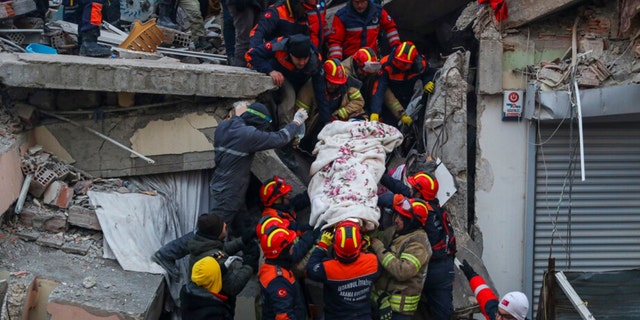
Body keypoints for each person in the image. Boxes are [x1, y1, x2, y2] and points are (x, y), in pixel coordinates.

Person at [151, 103, 308, 277]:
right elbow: (280, 138)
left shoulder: (226, 126)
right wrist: (296, 122)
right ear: (257, 122)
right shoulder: (246, 135)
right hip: (229, 192)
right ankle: (167, 254)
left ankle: (252, 259)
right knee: (206, 234)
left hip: (225, 185)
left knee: (244, 225)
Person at [379, 171, 457, 320]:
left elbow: (394, 201)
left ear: (419, 194)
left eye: (413, 187)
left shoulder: (422, 211)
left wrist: (374, 200)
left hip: (432, 269)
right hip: (446, 268)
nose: (409, 189)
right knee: (442, 313)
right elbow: (402, 189)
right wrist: (381, 175)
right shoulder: (433, 206)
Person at [370, 195, 431, 319]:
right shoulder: (396, 232)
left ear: (412, 222)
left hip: (398, 310)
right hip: (380, 303)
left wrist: (379, 249)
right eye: (396, 215)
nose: (396, 220)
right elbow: (378, 237)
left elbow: (402, 272)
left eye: (402, 218)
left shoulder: (418, 244)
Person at [305, 220, 379, 319]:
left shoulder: (328, 268)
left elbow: (310, 269)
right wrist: (364, 249)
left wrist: (322, 245)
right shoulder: (372, 261)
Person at [186, 214, 259, 315]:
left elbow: (219, 250)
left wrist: (241, 241)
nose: (225, 225)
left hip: (201, 302)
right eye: (223, 226)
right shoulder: (216, 261)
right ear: (215, 232)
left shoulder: (200, 245)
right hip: (217, 308)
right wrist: (249, 265)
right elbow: (233, 286)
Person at [295, 58, 365, 153]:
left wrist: (340, 114)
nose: (334, 86)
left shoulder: (346, 83)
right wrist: (298, 139)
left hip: (337, 122)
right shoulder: (309, 88)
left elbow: (359, 101)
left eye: (337, 84)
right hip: (315, 125)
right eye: (331, 83)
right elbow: (299, 116)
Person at [370, 41, 436, 125]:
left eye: (405, 64)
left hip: (407, 98)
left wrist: (427, 82)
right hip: (388, 103)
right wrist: (375, 112)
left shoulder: (420, 65)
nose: (400, 65)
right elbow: (379, 89)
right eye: (398, 61)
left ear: (413, 61)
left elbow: (428, 74)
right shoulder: (386, 64)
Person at [344, 47, 412, 126]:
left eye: (368, 73)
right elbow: (352, 101)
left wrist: (401, 114)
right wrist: (365, 117)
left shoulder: (370, 72)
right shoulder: (345, 74)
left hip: (363, 109)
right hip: (348, 112)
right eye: (364, 72)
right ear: (357, 64)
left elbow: (384, 93)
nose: (365, 74)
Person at [258, 227, 307, 319]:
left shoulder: (269, 266)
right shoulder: (278, 281)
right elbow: (283, 316)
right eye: (290, 245)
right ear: (283, 252)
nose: (293, 246)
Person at [327, 0, 400, 60]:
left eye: (362, 2)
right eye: (356, 3)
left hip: (371, 58)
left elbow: (390, 28)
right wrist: (336, 60)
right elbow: (336, 41)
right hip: (350, 60)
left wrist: (395, 46)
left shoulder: (378, 12)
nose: (360, 6)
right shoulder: (342, 16)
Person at [460, 260, 529, 320]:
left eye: (505, 317)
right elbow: (484, 295)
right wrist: (471, 275)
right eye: (498, 313)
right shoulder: (496, 316)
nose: (498, 319)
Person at [248, 0, 328, 50]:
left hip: (303, 58)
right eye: (305, 9)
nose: (307, 12)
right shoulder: (277, 11)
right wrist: (254, 53)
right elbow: (257, 33)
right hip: (277, 57)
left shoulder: (310, 13)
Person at [226, 0, 267, 66]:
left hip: (256, 4)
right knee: (244, 38)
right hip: (243, 4)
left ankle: (251, 63)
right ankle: (241, 66)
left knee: (254, 37)